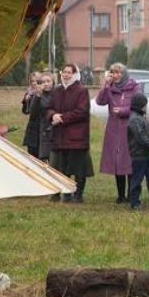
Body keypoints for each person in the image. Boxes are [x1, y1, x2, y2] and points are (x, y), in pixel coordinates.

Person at [47, 64, 93, 202]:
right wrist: (53, 115)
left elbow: (82, 111)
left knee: (79, 168)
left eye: (69, 72)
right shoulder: (57, 90)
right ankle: (66, 193)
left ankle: (78, 194)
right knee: (64, 167)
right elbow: (49, 107)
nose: (66, 75)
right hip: (60, 136)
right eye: (64, 72)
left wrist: (63, 118)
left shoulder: (81, 90)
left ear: (74, 74)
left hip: (77, 136)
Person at [95, 62, 139, 203]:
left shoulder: (134, 87)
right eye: (113, 72)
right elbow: (100, 101)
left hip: (130, 128)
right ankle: (121, 195)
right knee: (117, 161)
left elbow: (139, 106)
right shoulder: (110, 88)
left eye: (119, 72)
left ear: (124, 74)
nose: (116, 75)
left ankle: (131, 194)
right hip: (114, 130)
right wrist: (106, 86)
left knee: (129, 161)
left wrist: (123, 111)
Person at [126, 92, 149, 209]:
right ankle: (134, 202)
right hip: (138, 156)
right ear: (141, 106)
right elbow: (140, 136)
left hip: (147, 155)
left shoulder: (142, 118)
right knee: (137, 180)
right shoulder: (134, 119)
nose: (146, 107)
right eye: (145, 105)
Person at [23, 72, 54, 162]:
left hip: (49, 133)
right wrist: (37, 96)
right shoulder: (35, 94)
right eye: (43, 82)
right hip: (34, 134)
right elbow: (30, 111)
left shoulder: (57, 95)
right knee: (34, 161)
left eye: (48, 81)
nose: (46, 84)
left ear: (53, 82)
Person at [21, 71, 43, 158]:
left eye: (36, 81)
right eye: (32, 81)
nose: (34, 83)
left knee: (41, 156)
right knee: (31, 155)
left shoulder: (45, 92)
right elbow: (25, 111)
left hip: (42, 127)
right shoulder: (29, 93)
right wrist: (25, 101)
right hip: (32, 127)